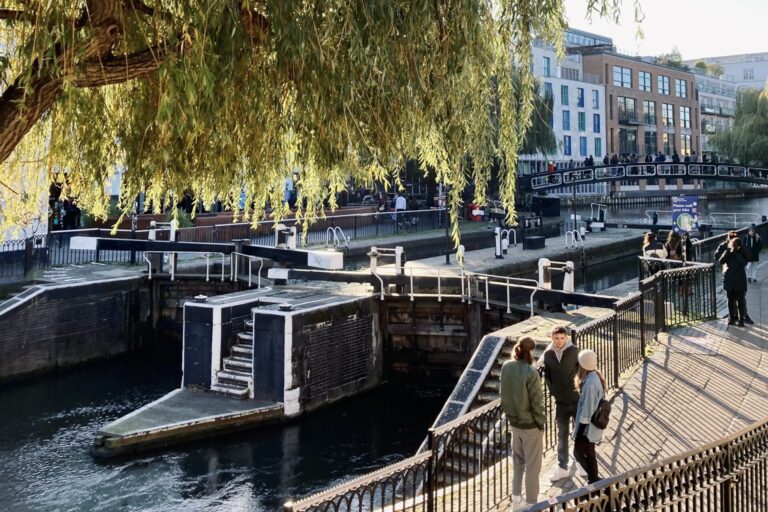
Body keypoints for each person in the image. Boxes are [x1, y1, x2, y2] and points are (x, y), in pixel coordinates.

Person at [500, 337, 545, 508]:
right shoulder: (530, 372)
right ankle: (532, 502)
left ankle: (516, 498)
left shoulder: (506, 366)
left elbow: (503, 393)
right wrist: (540, 423)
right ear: (531, 351)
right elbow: (537, 402)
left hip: (514, 423)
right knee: (533, 466)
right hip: (530, 425)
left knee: (518, 462)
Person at [539, 326, 582, 481]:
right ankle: (562, 466)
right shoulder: (548, 355)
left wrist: (579, 388)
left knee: (579, 432)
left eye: (562, 338)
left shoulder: (575, 351)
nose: (559, 341)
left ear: (566, 338)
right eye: (556, 338)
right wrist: (553, 391)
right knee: (562, 434)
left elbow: (582, 371)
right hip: (560, 402)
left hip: (576, 399)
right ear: (552, 338)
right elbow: (548, 376)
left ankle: (581, 463)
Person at [573, 349, 607, 484]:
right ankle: (594, 479)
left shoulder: (590, 383)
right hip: (591, 426)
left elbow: (587, 408)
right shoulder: (594, 376)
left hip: (587, 427)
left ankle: (594, 479)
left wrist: (581, 430)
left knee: (578, 453)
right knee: (590, 452)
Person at [720, 238, 749, 326]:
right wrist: (729, 252)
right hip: (729, 279)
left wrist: (736, 253)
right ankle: (732, 318)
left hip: (740, 280)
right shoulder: (728, 251)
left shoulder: (743, 253)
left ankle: (741, 319)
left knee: (740, 301)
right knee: (730, 301)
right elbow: (721, 261)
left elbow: (743, 263)